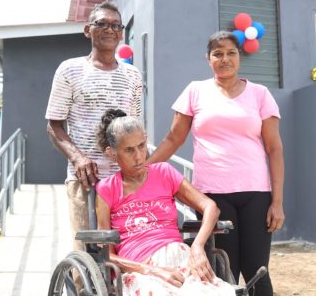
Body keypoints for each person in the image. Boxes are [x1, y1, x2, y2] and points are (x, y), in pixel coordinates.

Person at [148, 30, 285, 295]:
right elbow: (173, 139)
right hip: (213, 197)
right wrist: (143, 170)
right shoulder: (195, 91)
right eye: (217, 54)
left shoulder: (260, 94)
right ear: (208, 59)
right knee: (224, 272)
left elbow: (274, 148)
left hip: (256, 194)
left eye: (231, 53)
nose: (225, 59)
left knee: (257, 270)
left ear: (240, 57)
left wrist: (277, 202)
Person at [94, 109, 234, 295]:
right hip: (139, 269)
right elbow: (107, 255)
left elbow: (210, 207)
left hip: (181, 256)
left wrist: (198, 246)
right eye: (129, 150)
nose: (138, 156)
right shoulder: (107, 189)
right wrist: (152, 270)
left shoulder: (164, 173)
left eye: (142, 146)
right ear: (112, 153)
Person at [45, 1, 143, 252]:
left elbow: (135, 129)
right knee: (87, 256)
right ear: (88, 30)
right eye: (101, 24)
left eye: (115, 25)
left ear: (121, 33)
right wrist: (78, 158)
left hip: (125, 179)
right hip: (85, 180)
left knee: (127, 251)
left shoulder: (132, 76)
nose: (109, 30)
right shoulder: (70, 69)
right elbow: (54, 126)